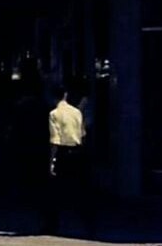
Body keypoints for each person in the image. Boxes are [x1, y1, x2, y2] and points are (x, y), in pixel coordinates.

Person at [43, 86, 94, 236]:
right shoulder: (76, 112)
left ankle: (52, 225)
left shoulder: (54, 114)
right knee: (80, 190)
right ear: (65, 95)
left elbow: (55, 140)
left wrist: (51, 161)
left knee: (54, 191)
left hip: (63, 153)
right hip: (78, 151)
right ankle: (88, 224)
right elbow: (82, 134)